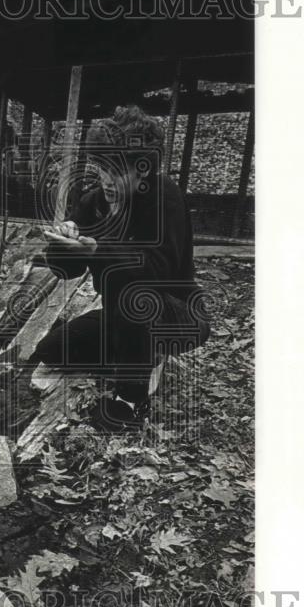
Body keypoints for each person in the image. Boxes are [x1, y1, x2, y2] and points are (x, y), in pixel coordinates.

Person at [33, 105, 210, 425]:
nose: (107, 181)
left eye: (117, 172)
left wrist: (99, 251)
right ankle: (140, 356)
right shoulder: (93, 201)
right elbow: (65, 271)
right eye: (102, 169)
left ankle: (130, 399)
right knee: (52, 350)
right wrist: (63, 244)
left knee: (128, 287)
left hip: (177, 314)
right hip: (124, 320)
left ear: (142, 169)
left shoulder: (164, 197)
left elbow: (159, 271)